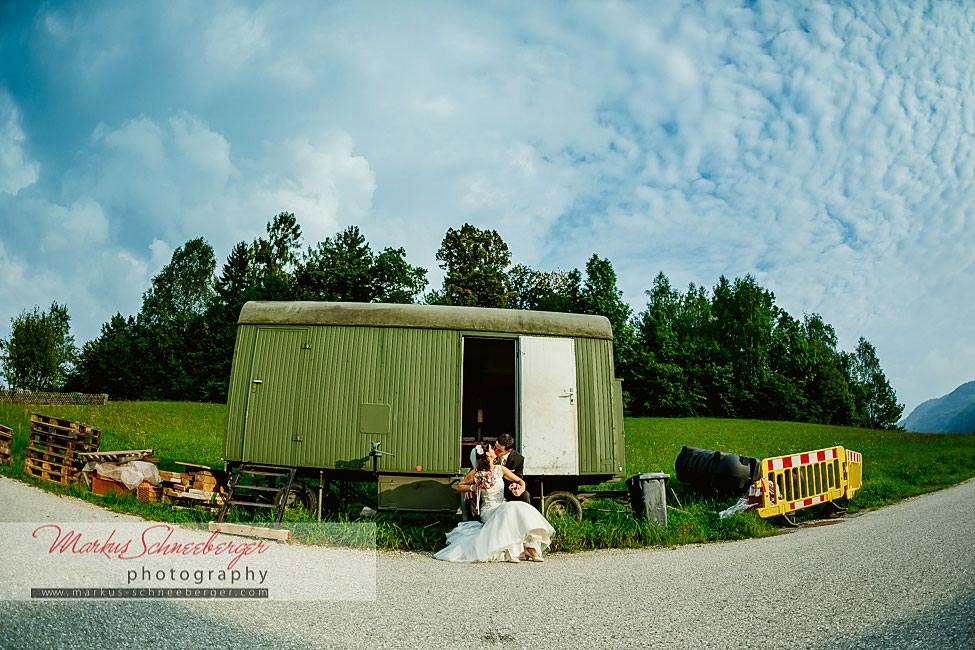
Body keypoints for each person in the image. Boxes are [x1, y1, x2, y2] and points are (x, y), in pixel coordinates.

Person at [435, 443, 553, 563]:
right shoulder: (478, 472)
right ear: (487, 455)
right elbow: (459, 486)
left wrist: (520, 489)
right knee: (509, 509)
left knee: (520, 507)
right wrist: (473, 488)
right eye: (492, 449)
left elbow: (520, 481)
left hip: (502, 504)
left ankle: (529, 547)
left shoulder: (500, 469)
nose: (495, 451)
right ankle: (512, 552)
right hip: (489, 509)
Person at [493, 433, 530, 504]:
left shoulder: (518, 459)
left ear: (509, 451)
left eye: (499, 451)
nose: (495, 451)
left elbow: (519, 477)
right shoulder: (489, 453)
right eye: (495, 447)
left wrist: (514, 485)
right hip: (490, 489)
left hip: (508, 490)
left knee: (525, 495)